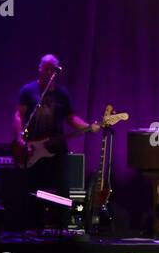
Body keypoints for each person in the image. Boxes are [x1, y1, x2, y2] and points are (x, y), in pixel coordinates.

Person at [13, 54, 98, 231]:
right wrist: (21, 139)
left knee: (62, 188)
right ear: (40, 69)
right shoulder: (28, 90)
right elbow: (18, 115)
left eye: (54, 69)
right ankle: (33, 227)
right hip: (34, 148)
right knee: (33, 188)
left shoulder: (62, 94)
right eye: (47, 68)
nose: (51, 72)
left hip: (56, 147)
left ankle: (61, 228)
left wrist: (89, 127)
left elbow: (71, 118)